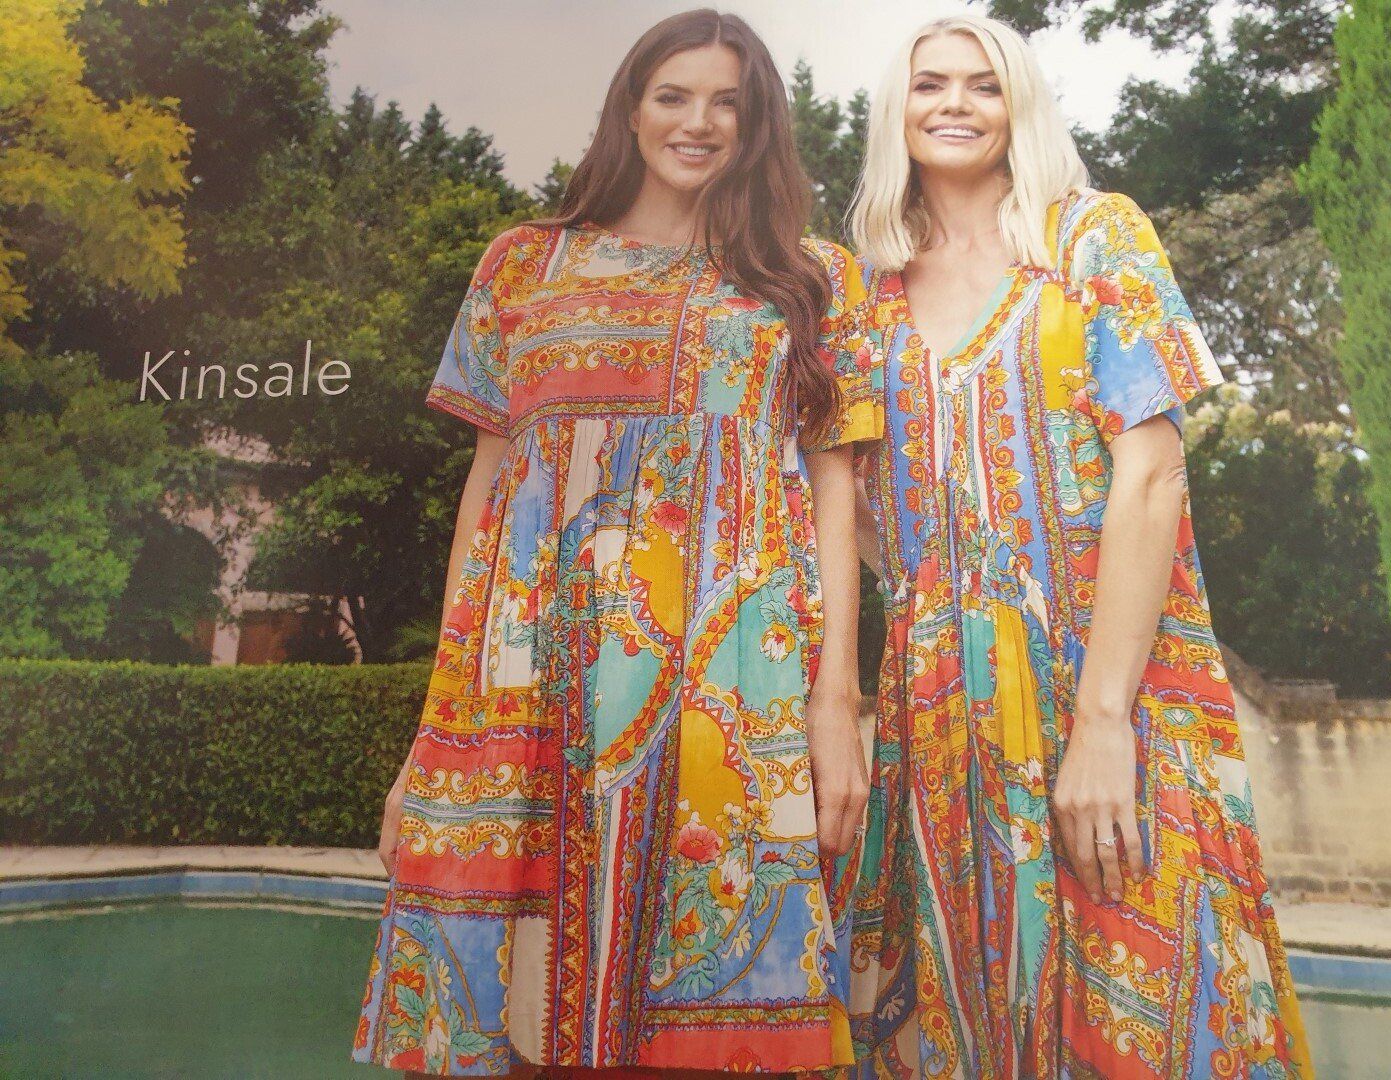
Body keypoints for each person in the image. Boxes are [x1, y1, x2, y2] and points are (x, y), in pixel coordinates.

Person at [352, 8, 877, 1077]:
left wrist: (837, 703)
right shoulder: (522, 267)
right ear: (629, 109)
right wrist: (431, 731)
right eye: (674, 96)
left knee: (716, 1011)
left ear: (759, 123)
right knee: (523, 1018)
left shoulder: (812, 278)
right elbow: (489, 496)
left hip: (733, 684)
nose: (700, 122)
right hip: (529, 677)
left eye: (728, 102)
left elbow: (835, 496)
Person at [843, 14, 1313, 1079]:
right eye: (930, 85)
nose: (955, 104)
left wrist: (1102, 722)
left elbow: (1154, 474)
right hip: (942, 723)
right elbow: (860, 507)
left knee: (1151, 997)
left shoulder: (1094, 237)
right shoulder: (867, 293)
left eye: (983, 85)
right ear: (896, 111)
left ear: (1020, 108)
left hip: (1114, 690)